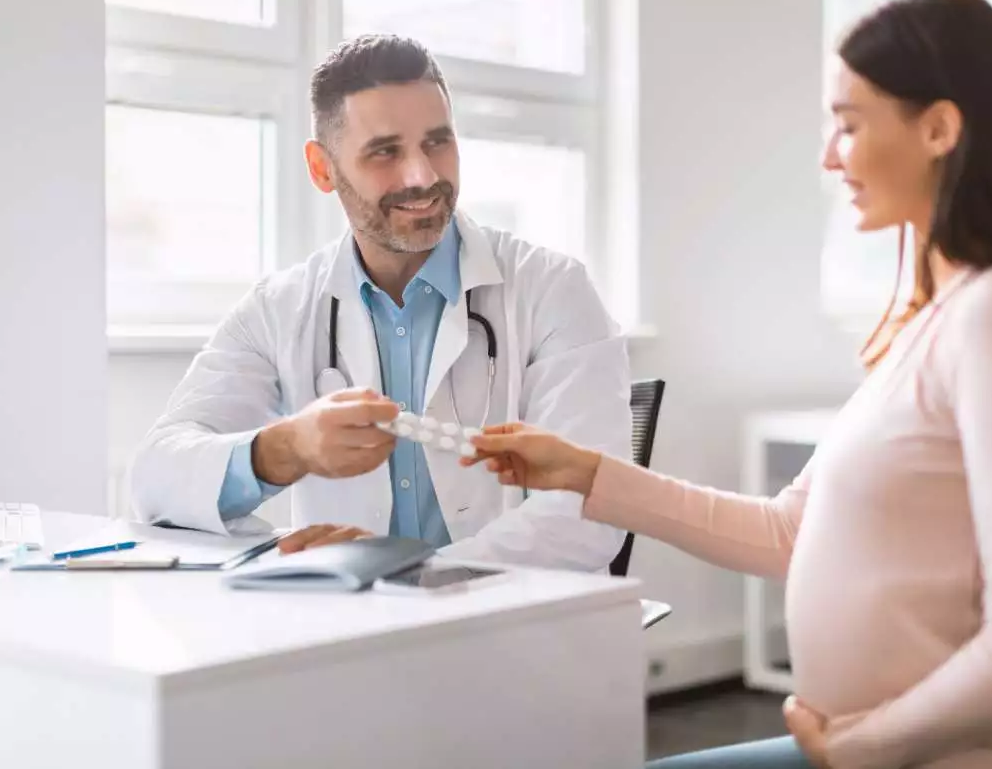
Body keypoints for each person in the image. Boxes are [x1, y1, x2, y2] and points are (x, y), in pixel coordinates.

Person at [465, 0, 992, 768]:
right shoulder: (927, 325)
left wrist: (859, 747)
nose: (829, 154)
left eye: (849, 123)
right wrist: (586, 472)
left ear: (939, 127)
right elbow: (788, 532)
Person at [129, 34, 631, 571]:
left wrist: (411, 574)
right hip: (355, 630)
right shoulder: (281, 309)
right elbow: (155, 478)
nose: (422, 176)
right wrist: (286, 448)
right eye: (385, 152)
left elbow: (590, 511)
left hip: (510, 624)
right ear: (323, 169)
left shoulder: (552, 289)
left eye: (438, 142)